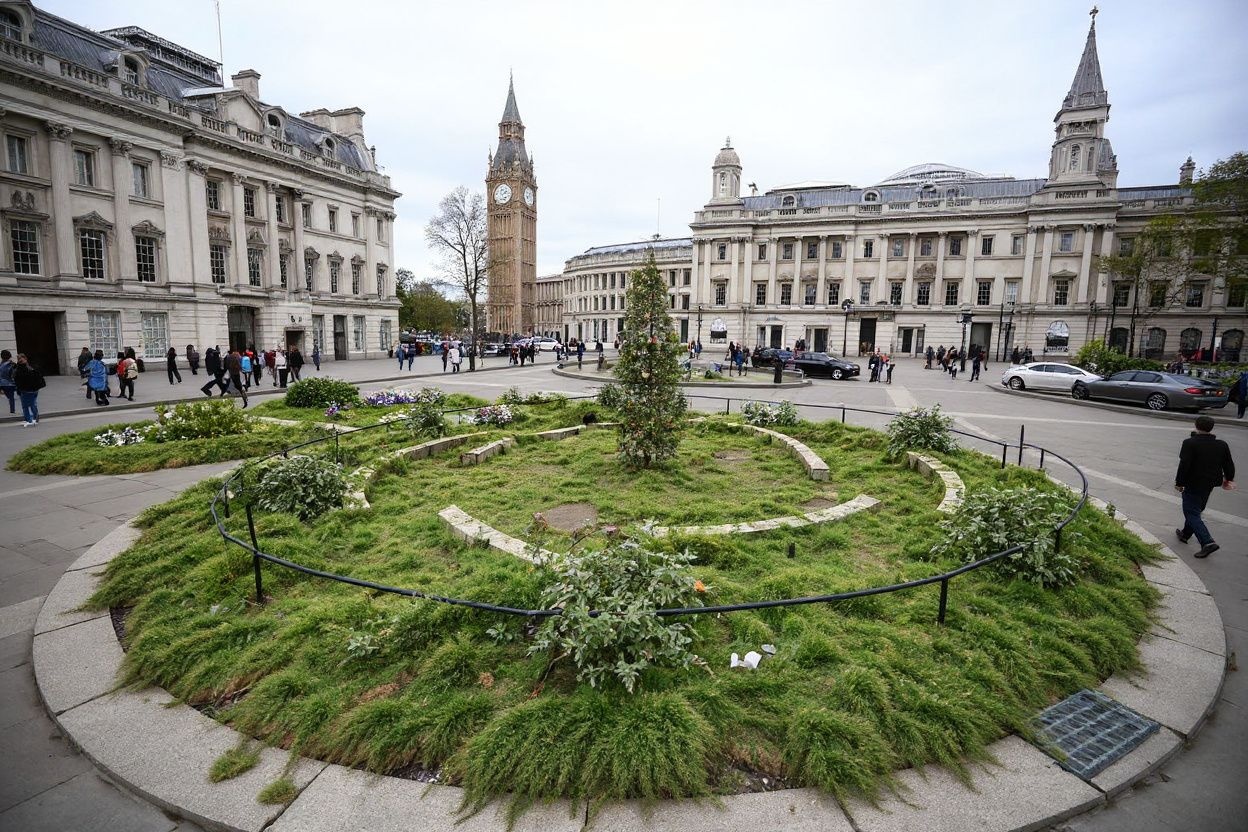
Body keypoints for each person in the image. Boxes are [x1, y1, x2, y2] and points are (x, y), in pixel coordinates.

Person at [1175, 415, 1236, 558]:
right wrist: (1229, 479)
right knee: (1196, 509)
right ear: (1211, 428)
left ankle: (1207, 542)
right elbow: (1228, 463)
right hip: (1210, 483)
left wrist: (1179, 482)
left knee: (1191, 512)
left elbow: (1184, 464)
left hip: (1193, 482)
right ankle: (1185, 534)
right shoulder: (1221, 444)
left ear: (1196, 425)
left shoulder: (1190, 443)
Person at [13, 353, 45, 426]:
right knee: (33, 404)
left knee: (26, 406)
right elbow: (39, 376)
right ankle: (35, 418)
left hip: (25, 390)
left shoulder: (19, 369)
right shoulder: (32, 367)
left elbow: (17, 381)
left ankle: (29, 420)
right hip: (34, 390)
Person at [0, 350, 16, 415]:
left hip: (1, 383)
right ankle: (12, 411)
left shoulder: (1, 364)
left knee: (10, 397)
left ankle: (12, 411)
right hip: (10, 384)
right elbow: (14, 374)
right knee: (11, 398)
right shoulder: (12, 364)